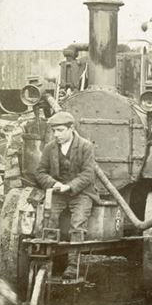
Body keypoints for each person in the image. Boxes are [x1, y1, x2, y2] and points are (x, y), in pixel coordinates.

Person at [34, 112, 98, 280]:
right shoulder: (50, 148)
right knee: (48, 221)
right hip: (58, 192)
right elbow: (40, 172)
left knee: (78, 224)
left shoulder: (85, 146)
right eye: (54, 130)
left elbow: (88, 175)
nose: (56, 135)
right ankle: (47, 262)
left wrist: (69, 186)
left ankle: (72, 265)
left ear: (71, 128)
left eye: (60, 130)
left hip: (81, 192)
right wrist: (53, 184)